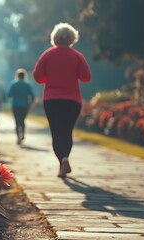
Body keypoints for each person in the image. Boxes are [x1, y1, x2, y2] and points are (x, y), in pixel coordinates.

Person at [33, 22, 91, 178]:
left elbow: (38, 77)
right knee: (67, 131)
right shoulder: (77, 56)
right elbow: (86, 77)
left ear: (55, 38)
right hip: (72, 101)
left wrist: (50, 77)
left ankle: (62, 160)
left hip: (52, 99)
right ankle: (65, 159)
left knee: (56, 132)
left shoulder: (47, 54)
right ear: (72, 39)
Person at [7, 68, 34, 145]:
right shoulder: (27, 84)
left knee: (17, 121)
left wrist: (15, 94)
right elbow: (32, 95)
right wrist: (31, 102)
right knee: (22, 120)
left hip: (15, 104)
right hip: (25, 105)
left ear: (17, 75)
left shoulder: (14, 84)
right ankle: (23, 134)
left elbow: (9, 94)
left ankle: (18, 137)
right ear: (24, 76)